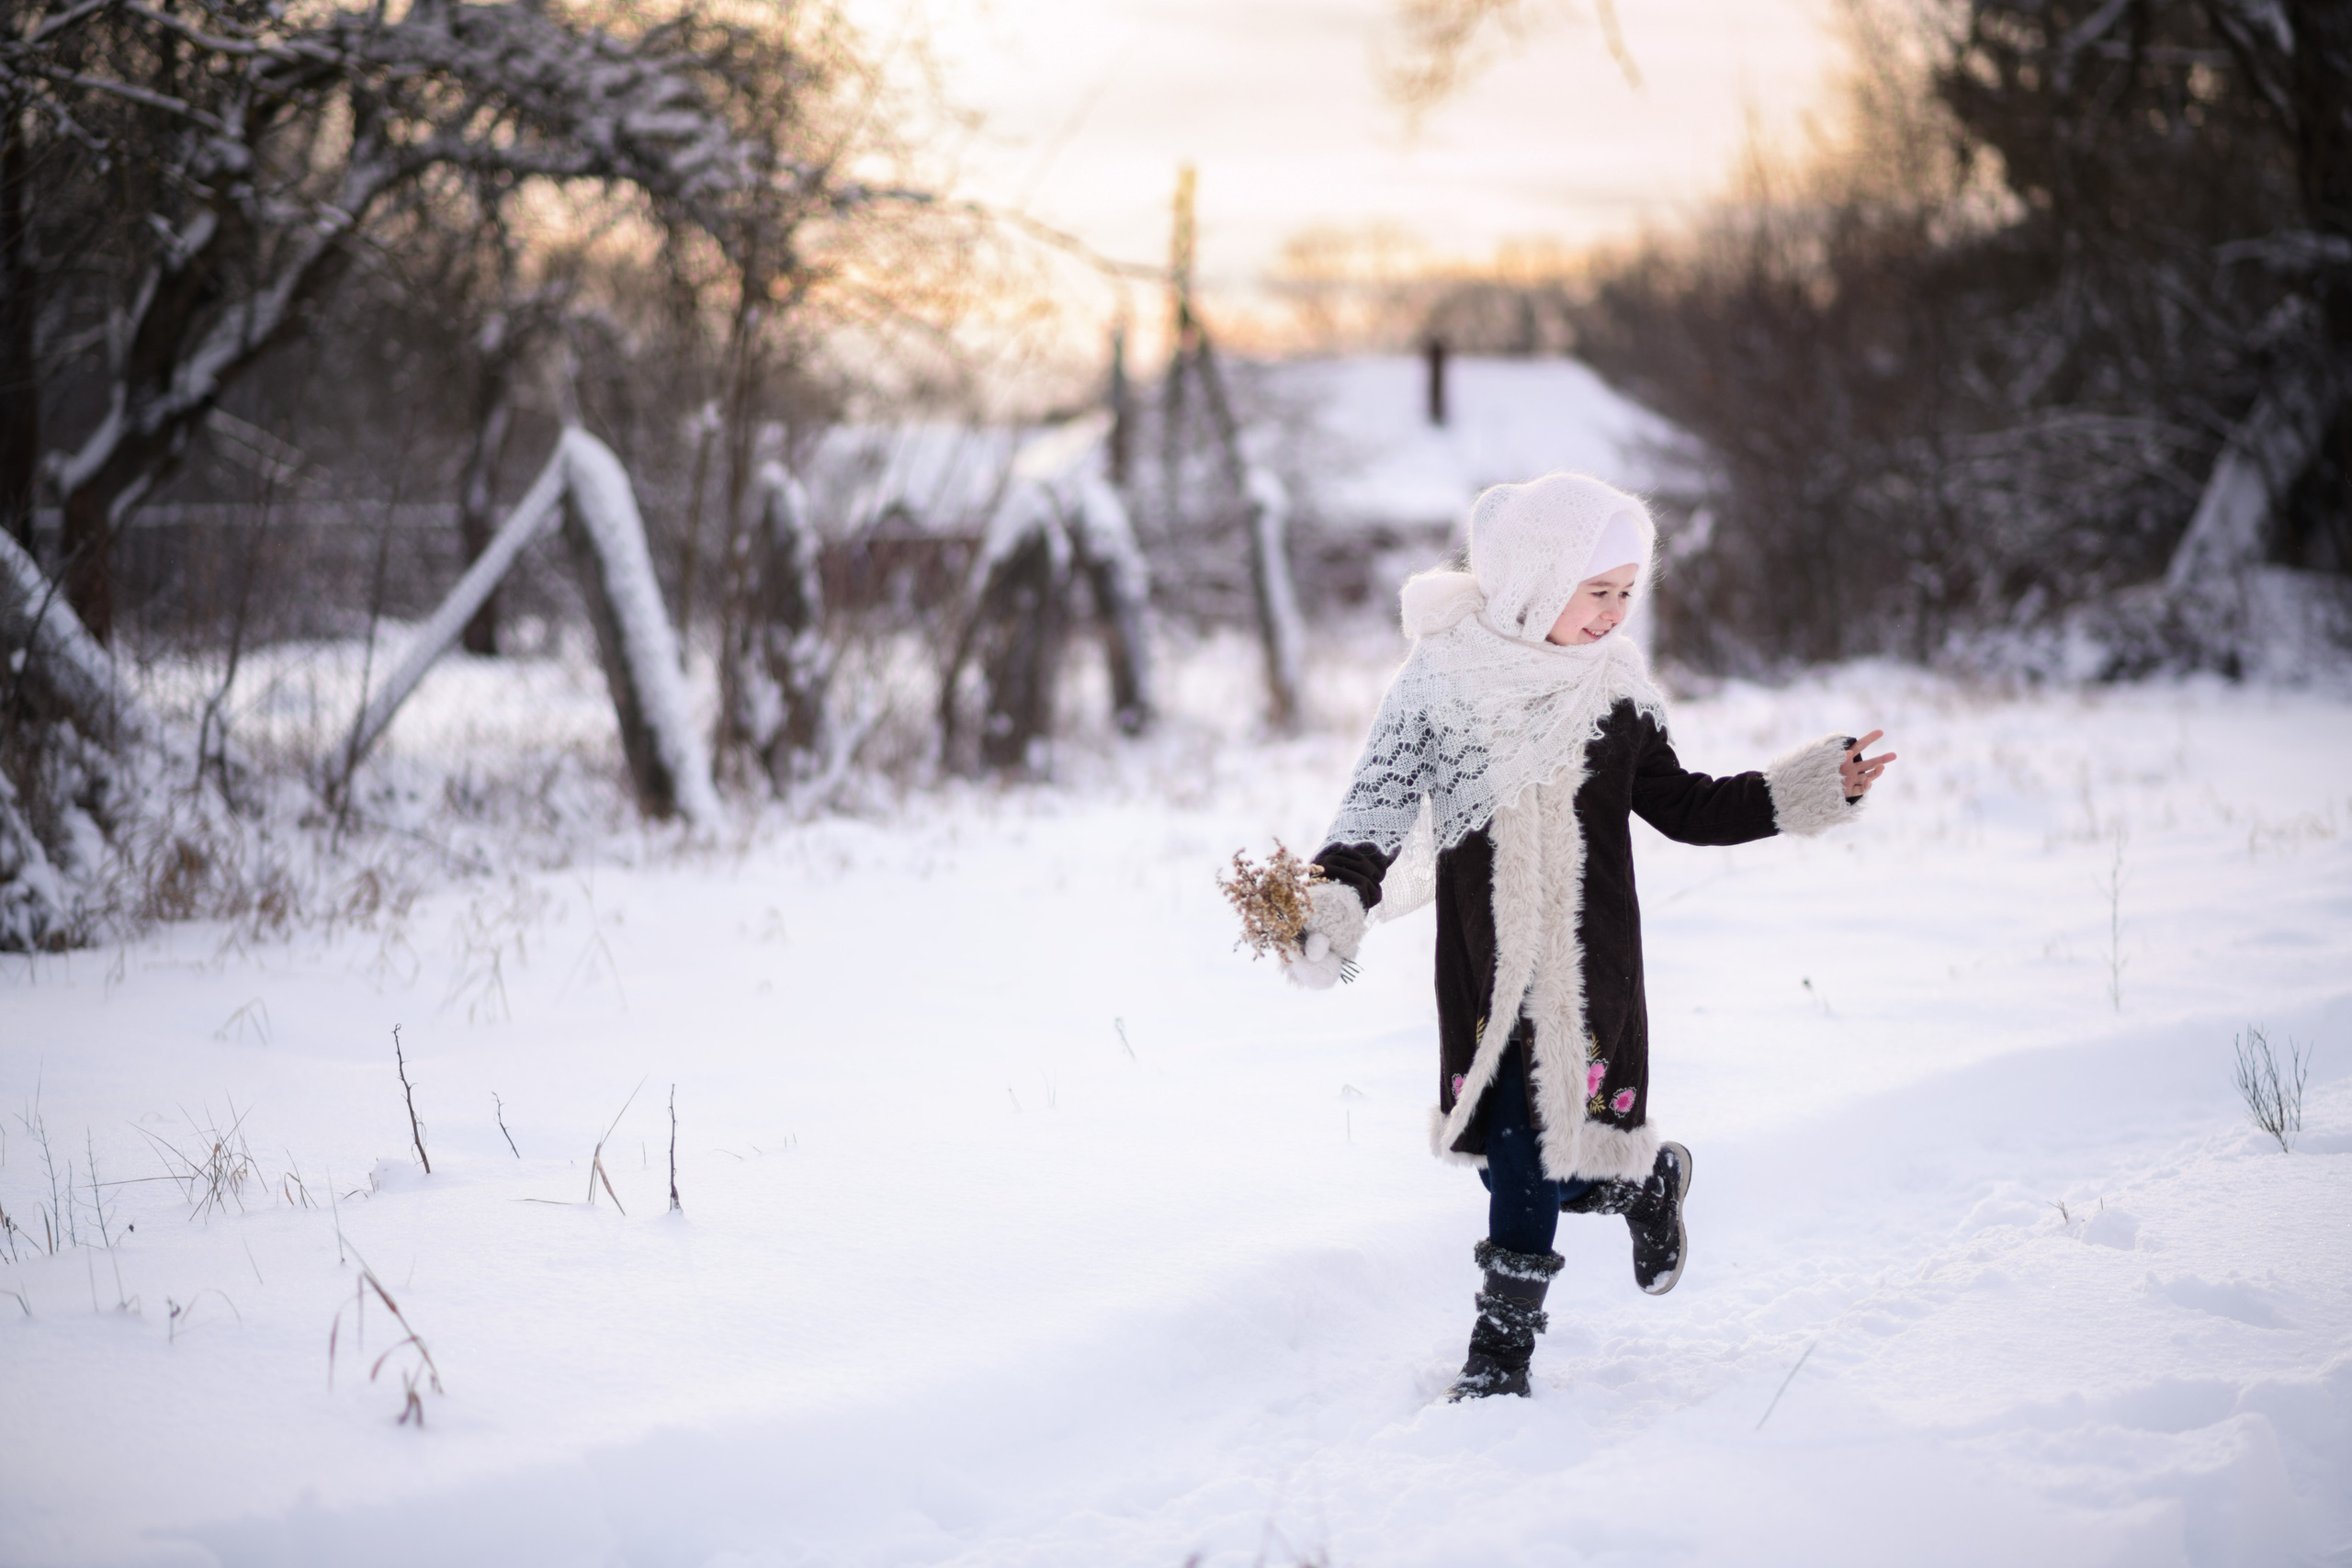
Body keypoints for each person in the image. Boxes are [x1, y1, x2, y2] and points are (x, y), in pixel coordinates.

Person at [1284, 472, 1893, 1402]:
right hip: (1485, 969)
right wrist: (1334, 896)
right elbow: (1378, 803)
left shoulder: (1615, 694)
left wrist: (1808, 786)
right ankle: (1644, 1187)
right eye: (1597, 590)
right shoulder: (1441, 681)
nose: (1615, 613)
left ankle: (1500, 1356)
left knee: (1527, 1155)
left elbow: (1686, 806)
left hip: (1585, 970)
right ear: (1538, 577)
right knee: (1525, 1164)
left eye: (1627, 592)